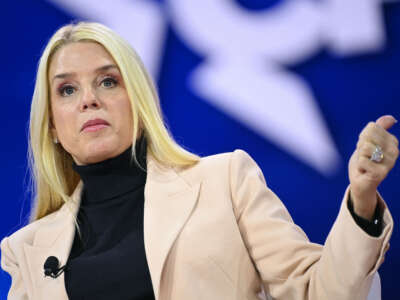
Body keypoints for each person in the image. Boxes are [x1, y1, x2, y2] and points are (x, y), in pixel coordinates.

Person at [0, 21, 397, 300]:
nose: (89, 99)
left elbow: (319, 292)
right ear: (51, 125)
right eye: (67, 90)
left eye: (108, 81)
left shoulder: (224, 181)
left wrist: (361, 201)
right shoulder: (28, 250)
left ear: (139, 102)